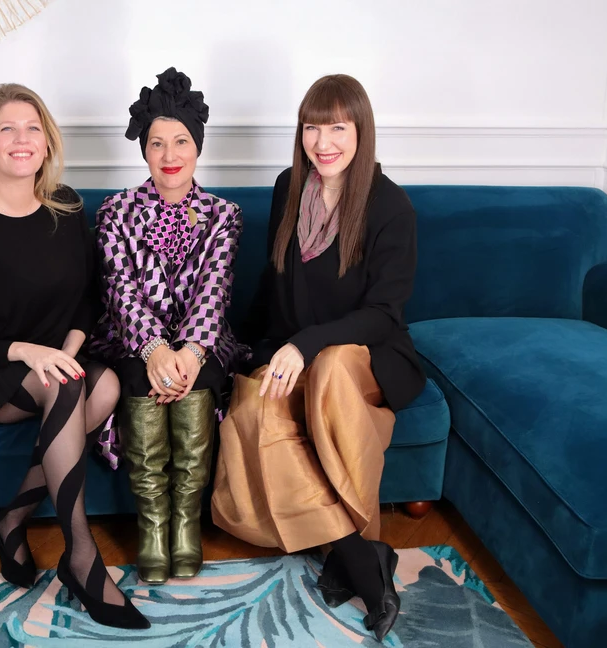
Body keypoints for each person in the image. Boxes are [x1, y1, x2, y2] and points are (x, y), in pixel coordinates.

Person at [0, 83, 148, 629]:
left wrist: (66, 350)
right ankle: (83, 557)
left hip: (47, 360)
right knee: (67, 387)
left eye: (33, 128)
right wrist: (29, 352)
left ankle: (12, 517)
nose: (22, 140)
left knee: (106, 383)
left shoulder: (65, 209)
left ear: (46, 143)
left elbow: (88, 298)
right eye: (7, 130)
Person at [209, 74, 427, 642]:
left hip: (370, 358)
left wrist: (305, 346)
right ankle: (359, 556)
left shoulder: (390, 206)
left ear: (361, 131)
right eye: (312, 127)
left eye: (338, 127)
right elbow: (273, 279)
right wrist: (241, 344)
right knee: (258, 409)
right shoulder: (290, 187)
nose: (323, 141)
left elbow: (384, 312)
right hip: (297, 352)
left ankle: (351, 559)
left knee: (329, 366)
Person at [88, 68, 249, 585]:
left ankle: (186, 523)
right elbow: (120, 289)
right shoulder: (114, 212)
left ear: (197, 146)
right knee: (137, 378)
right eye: (157, 143)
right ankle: (153, 526)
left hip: (201, 344)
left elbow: (214, 292)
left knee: (196, 383)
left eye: (180, 140)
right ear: (144, 151)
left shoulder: (224, 214)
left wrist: (190, 353)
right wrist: (155, 350)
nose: (169, 153)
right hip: (132, 339)